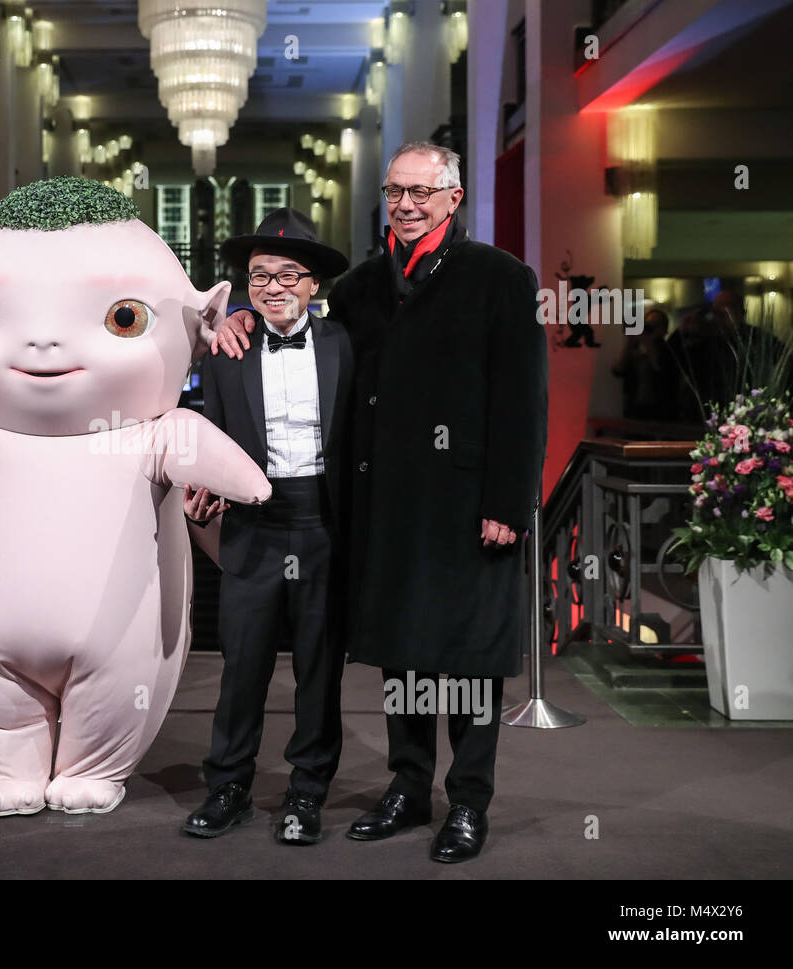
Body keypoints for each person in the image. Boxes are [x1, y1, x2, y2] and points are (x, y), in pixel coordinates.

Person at [214, 141, 548, 862]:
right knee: (406, 655)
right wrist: (238, 312)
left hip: (468, 508)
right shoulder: (362, 287)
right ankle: (407, 784)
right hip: (389, 509)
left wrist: (507, 503)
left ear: (453, 199)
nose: (405, 203)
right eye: (396, 191)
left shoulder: (501, 277)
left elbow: (524, 401)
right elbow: (296, 318)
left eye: (421, 192)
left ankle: (467, 799)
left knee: (467, 659)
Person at [181, 208, 353, 844]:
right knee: (242, 662)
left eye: (288, 276)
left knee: (318, 666)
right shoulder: (230, 348)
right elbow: (213, 433)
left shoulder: (345, 344)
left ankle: (307, 793)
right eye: (259, 277)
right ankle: (228, 786)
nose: (273, 287)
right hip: (253, 519)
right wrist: (205, 486)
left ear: (313, 285)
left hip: (322, 519)